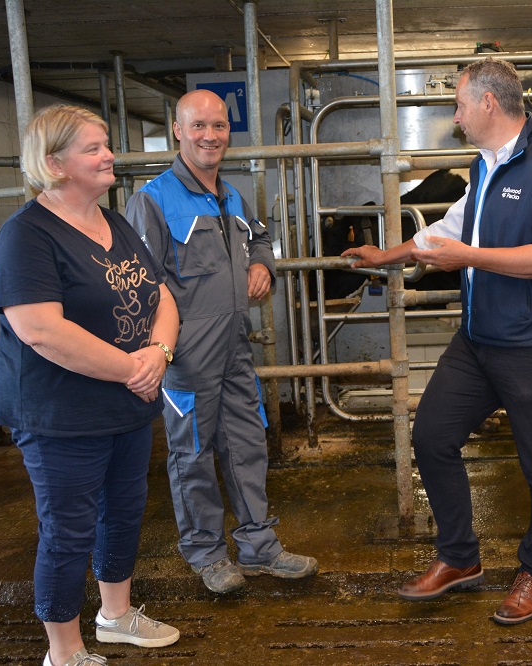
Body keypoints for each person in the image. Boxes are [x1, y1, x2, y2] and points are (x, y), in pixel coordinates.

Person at [342, 58, 532, 625]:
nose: (455, 117)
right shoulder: (484, 166)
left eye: (458, 105)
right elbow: (449, 231)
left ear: (487, 104)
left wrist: (468, 258)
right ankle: (458, 557)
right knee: (431, 436)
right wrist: (387, 256)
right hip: (479, 342)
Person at [0, 104, 181, 666]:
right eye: (93, 148)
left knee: (123, 514)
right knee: (68, 531)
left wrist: (159, 353)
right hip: (60, 414)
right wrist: (134, 370)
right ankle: (64, 652)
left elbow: (161, 296)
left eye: (106, 145)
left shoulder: (113, 223)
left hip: (126, 404)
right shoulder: (26, 235)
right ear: (55, 164)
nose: (108, 156)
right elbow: (41, 330)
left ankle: (115, 617)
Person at [125, 89, 318, 594]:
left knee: (247, 446)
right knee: (191, 455)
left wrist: (262, 264)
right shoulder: (152, 200)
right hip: (186, 356)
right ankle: (206, 554)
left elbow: (260, 237)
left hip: (235, 348)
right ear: (178, 131)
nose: (210, 136)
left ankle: (259, 547)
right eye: (198, 126)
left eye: (218, 126)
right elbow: (142, 283)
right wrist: (164, 349)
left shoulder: (231, 196)